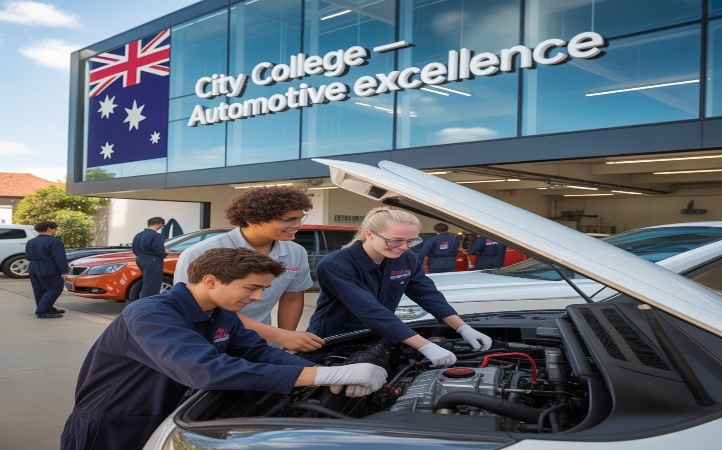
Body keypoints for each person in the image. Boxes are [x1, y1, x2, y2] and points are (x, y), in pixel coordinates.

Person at [60, 247, 387, 450]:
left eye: (263, 289)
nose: (258, 298)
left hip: (166, 415)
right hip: (115, 423)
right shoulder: (150, 314)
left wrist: (327, 374)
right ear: (211, 281)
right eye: (252, 288)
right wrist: (314, 376)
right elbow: (206, 370)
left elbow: (259, 352)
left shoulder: (222, 314)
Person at [307, 207, 492, 367]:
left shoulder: (405, 258)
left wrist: (463, 328)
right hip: (335, 339)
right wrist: (425, 346)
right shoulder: (335, 265)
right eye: (395, 240)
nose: (404, 247)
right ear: (369, 234)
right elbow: (369, 309)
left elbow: (427, 294)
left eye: (411, 241)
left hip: (379, 335)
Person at [174, 186, 324, 352]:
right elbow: (193, 307)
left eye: (300, 218)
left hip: (262, 344)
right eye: (289, 220)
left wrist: (285, 342)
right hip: (210, 344)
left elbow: (292, 299)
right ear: (253, 219)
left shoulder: (296, 252)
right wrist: (278, 335)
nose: (299, 225)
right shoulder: (200, 253)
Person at [25, 220, 69, 318]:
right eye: (55, 229)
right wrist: (64, 271)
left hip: (33, 266)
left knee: (39, 289)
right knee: (54, 288)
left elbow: (27, 256)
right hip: (48, 267)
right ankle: (43, 311)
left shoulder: (31, 241)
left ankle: (47, 308)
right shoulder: (55, 241)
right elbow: (60, 258)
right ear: (49, 229)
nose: (55, 231)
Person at [131, 216, 168, 299]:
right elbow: (159, 250)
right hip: (153, 261)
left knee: (147, 282)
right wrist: (165, 253)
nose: (162, 227)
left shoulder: (138, 235)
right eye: (162, 225)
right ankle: (148, 303)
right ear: (160, 224)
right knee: (153, 284)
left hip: (140, 259)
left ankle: (142, 301)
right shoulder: (157, 236)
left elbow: (134, 249)